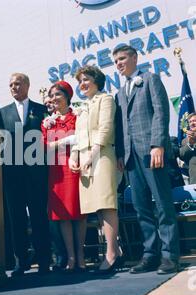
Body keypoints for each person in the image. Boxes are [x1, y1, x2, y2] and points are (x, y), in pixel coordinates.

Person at [113, 45, 180, 274]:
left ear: (134, 58)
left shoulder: (150, 79)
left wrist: (158, 145)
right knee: (141, 208)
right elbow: (120, 127)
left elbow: (161, 112)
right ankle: (150, 254)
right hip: (131, 157)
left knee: (162, 204)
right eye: (116, 61)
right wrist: (120, 154)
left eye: (122, 58)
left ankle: (170, 256)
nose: (119, 64)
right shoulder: (120, 93)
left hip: (152, 152)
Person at [69, 66, 123, 274]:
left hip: (101, 155)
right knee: (97, 207)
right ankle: (114, 251)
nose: (82, 84)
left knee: (107, 204)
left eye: (86, 79)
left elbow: (106, 128)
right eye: (80, 81)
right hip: (84, 159)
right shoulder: (82, 107)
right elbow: (78, 136)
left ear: (97, 80)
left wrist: (92, 156)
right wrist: (75, 157)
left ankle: (111, 253)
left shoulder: (106, 99)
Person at [1, 73, 51, 276]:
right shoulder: (2, 113)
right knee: (17, 219)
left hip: (37, 174)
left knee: (40, 217)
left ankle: (45, 260)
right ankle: (21, 261)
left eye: (18, 83)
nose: (14, 87)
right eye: (11, 84)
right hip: (12, 175)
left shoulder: (42, 110)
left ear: (27, 85)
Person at [41, 81, 86, 272]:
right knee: (64, 214)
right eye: (51, 96)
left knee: (80, 212)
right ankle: (71, 257)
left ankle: (81, 254)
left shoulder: (78, 115)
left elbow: (82, 137)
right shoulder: (47, 122)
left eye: (57, 94)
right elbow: (45, 146)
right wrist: (68, 139)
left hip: (76, 165)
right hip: (57, 170)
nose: (54, 99)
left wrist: (59, 141)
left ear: (67, 96)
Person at [179, 113, 196, 184]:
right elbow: (181, 155)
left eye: (194, 121)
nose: (192, 123)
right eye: (190, 122)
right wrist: (190, 144)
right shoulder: (185, 141)